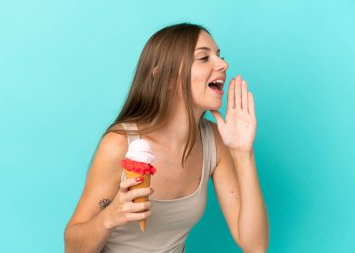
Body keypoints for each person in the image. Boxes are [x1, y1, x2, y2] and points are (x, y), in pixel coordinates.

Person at [64, 23, 269, 253]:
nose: (223, 64)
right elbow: (72, 247)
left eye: (219, 56)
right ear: (166, 77)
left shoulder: (214, 141)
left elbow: (255, 246)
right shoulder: (120, 144)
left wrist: (243, 153)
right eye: (204, 58)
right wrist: (109, 218)